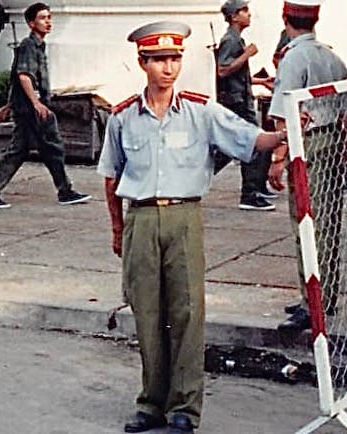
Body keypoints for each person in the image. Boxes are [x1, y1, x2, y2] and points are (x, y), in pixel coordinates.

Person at [96, 21, 287, 434]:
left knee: (186, 313)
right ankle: (151, 403)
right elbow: (111, 178)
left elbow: (248, 138)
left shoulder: (201, 111)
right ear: (142, 62)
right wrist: (117, 230)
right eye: (159, 60)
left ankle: (185, 407)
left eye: (175, 58)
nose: (168, 68)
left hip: (184, 218)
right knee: (147, 314)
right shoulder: (123, 116)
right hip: (141, 219)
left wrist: (283, 137)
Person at [267, 0, 347, 331]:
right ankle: (321, 294)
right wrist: (346, 151)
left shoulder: (293, 57)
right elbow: (345, 111)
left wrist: (277, 157)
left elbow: (285, 113)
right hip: (332, 139)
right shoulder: (332, 56)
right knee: (327, 222)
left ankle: (312, 301)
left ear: (286, 18)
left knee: (306, 223)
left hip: (307, 143)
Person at [0, 2, 90, 209]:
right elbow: (23, 76)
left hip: (28, 107)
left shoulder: (37, 46)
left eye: (49, 17)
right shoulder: (29, 46)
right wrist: (36, 103)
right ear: (31, 23)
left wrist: (9, 105)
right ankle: (63, 191)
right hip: (33, 110)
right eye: (42, 18)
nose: (48, 22)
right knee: (50, 148)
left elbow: (16, 79)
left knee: (32, 149)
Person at [217, 0, 278, 211]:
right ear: (234, 16)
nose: (249, 14)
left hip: (242, 99)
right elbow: (223, 71)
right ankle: (250, 194)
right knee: (252, 144)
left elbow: (237, 75)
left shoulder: (236, 40)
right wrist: (247, 54)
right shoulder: (230, 41)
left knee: (247, 144)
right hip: (237, 103)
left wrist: (260, 81)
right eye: (244, 11)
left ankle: (256, 188)